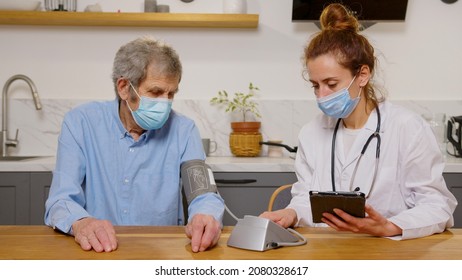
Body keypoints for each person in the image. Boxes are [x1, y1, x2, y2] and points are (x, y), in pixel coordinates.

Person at [260, 3, 457, 239]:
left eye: (331, 84)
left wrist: (390, 227)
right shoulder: (311, 133)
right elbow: (306, 198)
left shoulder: (407, 128)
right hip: (328, 252)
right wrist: (291, 213)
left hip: (388, 253)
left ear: (362, 75)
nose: (322, 95)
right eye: (316, 85)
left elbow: (437, 205)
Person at [45, 36, 224, 252]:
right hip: (98, 252)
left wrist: (206, 215)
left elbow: (204, 194)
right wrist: (81, 222)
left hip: (163, 255)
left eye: (171, 94)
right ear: (124, 88)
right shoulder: (81, 123)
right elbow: (60, 200)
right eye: (156, 92)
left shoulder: (184, 130)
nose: (165, 103)